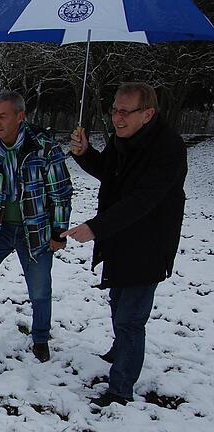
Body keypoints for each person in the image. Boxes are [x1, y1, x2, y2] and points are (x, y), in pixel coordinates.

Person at [65, 82, 187, 408]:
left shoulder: (168, 148)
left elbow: (142, 200)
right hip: (120, 238)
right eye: (114, 109)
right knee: (118, 303)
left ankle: (120, 391)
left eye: (125, 111)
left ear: (147, 113)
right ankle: (120, 351)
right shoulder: (125, 140)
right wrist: (85, 153)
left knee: (131, 320)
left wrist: (95, 227)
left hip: (147, 244)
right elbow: (109, 173)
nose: (117, 118)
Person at [0, 90, 73, 362]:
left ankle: (41, 338)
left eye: (3, 117)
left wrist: (58, 232)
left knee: (41, 290)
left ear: (20, 117)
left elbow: (60, 192)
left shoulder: (44, 147)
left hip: (36, 230)